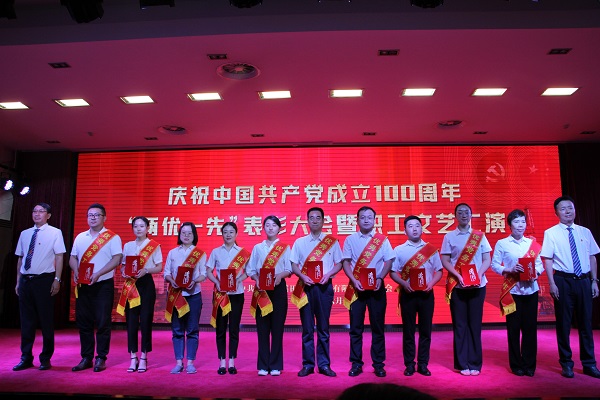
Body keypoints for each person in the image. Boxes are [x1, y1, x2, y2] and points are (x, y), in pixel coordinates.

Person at [540, 195, 600, 379]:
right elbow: (548, 259)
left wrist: (594, 280)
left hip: (584, 281)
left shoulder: (585, 232)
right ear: (556, 212)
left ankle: (589, 364)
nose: (568, 211)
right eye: (563, 209)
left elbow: (592, 257)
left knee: (586, 324)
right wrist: (552, 283)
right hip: (563, 281)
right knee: (564, 324)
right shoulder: (551, 233)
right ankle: (566, 363)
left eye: (570, 208)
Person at [13, 202, 66, 371]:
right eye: (34, 211)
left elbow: (59, 257)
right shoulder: (25, 233)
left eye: (41, 211)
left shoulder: (55, 232)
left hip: (44, 280)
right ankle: (26, 357)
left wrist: (57, 279)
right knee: (26, 321)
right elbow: (20, 258)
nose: (37, 214)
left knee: (46, 320)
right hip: (25, 281)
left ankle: (45, 358)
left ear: (48, 215)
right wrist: (18, 281)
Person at [70, 203, 123, 372]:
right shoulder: (80, 237)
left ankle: (101, 357)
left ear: (104, 217)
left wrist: (99, 273)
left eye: (96, 215)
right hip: (84, 285)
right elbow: (72, 257)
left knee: (102, 322)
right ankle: (86, 357)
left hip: (103, 285)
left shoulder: (112, 237)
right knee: (84, 322)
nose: (93, 218)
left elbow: (117, 259)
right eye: (90, 215)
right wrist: (76, 270)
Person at [290, 207, 343, 377]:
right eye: (311, 217)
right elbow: (293, 264)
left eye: (318, 217)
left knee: (323, 328)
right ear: (307, 221)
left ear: (323, 220)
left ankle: (324, 364)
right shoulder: (300, 242)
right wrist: (302, 276)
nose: (314, 220)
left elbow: (339, 263)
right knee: (307, 328)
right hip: (305, 288)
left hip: (324, 288)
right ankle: (308, 365)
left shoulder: (331, 242)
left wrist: (329, 274)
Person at [342, 206, 395, 378]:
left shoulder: (382, 240)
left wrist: (380, 277)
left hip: (377, 288)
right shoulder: (350, 239)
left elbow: (389, 261)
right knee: (355, 329)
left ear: (374, 220)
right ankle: (356, 363)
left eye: (369, 217)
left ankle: (378, 364)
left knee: (377, 327)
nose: (366, 220)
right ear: (357, 220)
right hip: (357, 288)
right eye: (363, 217)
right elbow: (346, 262)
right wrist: (353, 279)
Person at [491, 209, 544, 377]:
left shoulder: (532, 244)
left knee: (530, 329)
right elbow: (494, 265)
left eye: (523, 221)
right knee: (513, 329)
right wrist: (509, 269)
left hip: (530, 290)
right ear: (509, 225)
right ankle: (516, 365)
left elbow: (540, 264)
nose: (520, 225)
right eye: (516, 222)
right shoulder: (502, 243)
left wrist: (535, 273)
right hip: (512, 291)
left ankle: (529, 365)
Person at [441, 202, 491, 376]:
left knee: (475, 325)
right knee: (460, 325)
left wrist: (478, 275)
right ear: (455, 216)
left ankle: (475, 363)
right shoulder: (449, 236)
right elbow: (445, 260)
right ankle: (462, 363)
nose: (463, 215)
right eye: (460, 212)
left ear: (471, 215)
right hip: (458, 285)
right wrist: (458, 276)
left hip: (478, 285)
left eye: (467, 212)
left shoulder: (479, 236)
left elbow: (487, 259)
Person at [390, 215, 443, 377]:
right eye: (410, 226)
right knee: (408, 331)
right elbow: (393, 272)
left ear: (422, 228)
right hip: (408, 294)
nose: (414, 229)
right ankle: (409, 364)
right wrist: (403, 283)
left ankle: (423, 364)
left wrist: (431, 284)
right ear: (405, 230)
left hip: (427, 294)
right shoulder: (399, 250)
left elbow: (439, 271)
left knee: (426, 330)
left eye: (417, 226)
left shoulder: (431, 249)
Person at [246, 215, 292, 376]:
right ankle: (263, 365)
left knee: (277, 328)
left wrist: (280, 276)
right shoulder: (257, 248)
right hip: (262, 290)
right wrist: (256, 279)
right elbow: (250, 269)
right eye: (267, 225)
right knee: (263, 328)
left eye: (274, 225)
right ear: (263, 228)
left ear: (279, 228)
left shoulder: (285, 248)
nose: (270, 227)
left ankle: (276, 365)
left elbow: (289, 269)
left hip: (278, 289)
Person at [117, 216, 163, 373]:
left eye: (142, 226)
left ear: (148, 228)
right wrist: (123, 271)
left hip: (146, 284)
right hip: (131, 285)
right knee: (131, 321)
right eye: (135, 226)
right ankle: (133, 357)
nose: (138, 229)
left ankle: (143, 356)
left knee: (145, 321)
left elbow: (159, 267)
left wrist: (146, 270)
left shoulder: (154, 246)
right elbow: (123, 265)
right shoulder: (128, 245)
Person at [205, 222, 250, 375]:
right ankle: (222, 362)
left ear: (236, 234)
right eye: (225, 232)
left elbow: (248, 271)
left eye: (231, 232)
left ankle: (232, 361)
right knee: (221, 329)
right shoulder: (216, 252)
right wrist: (217, 282)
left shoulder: (243, 253)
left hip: (237, 295)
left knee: (234, 329)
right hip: (221, 295)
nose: (228, 234)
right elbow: (209, 271)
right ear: (222, 234)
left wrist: (238, 280)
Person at [163, 222, 207, 374]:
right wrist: (171, 280)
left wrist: (194, 281)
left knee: (192, 329)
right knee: (177, 330)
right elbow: (166, 273)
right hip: (176, 295)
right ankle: (178, 362)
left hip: (193, 295)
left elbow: (204, 274)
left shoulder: (199, 254)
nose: (186, 236)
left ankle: (190, 363)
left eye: (189, 233)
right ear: (179, 235)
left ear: (194, 235)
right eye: (183, 233)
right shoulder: (172, 253)